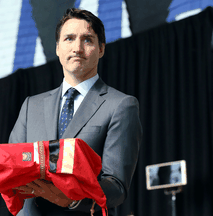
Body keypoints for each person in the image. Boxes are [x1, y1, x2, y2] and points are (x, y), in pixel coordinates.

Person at [9, 8, 142, 216]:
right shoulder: (30, 106)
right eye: (69, 39)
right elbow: (11, 169)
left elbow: (117, 187)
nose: (77, 48)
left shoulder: (121, 105)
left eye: (87, 40)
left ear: (101, 49)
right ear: (57, 48)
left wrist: (72, 199)